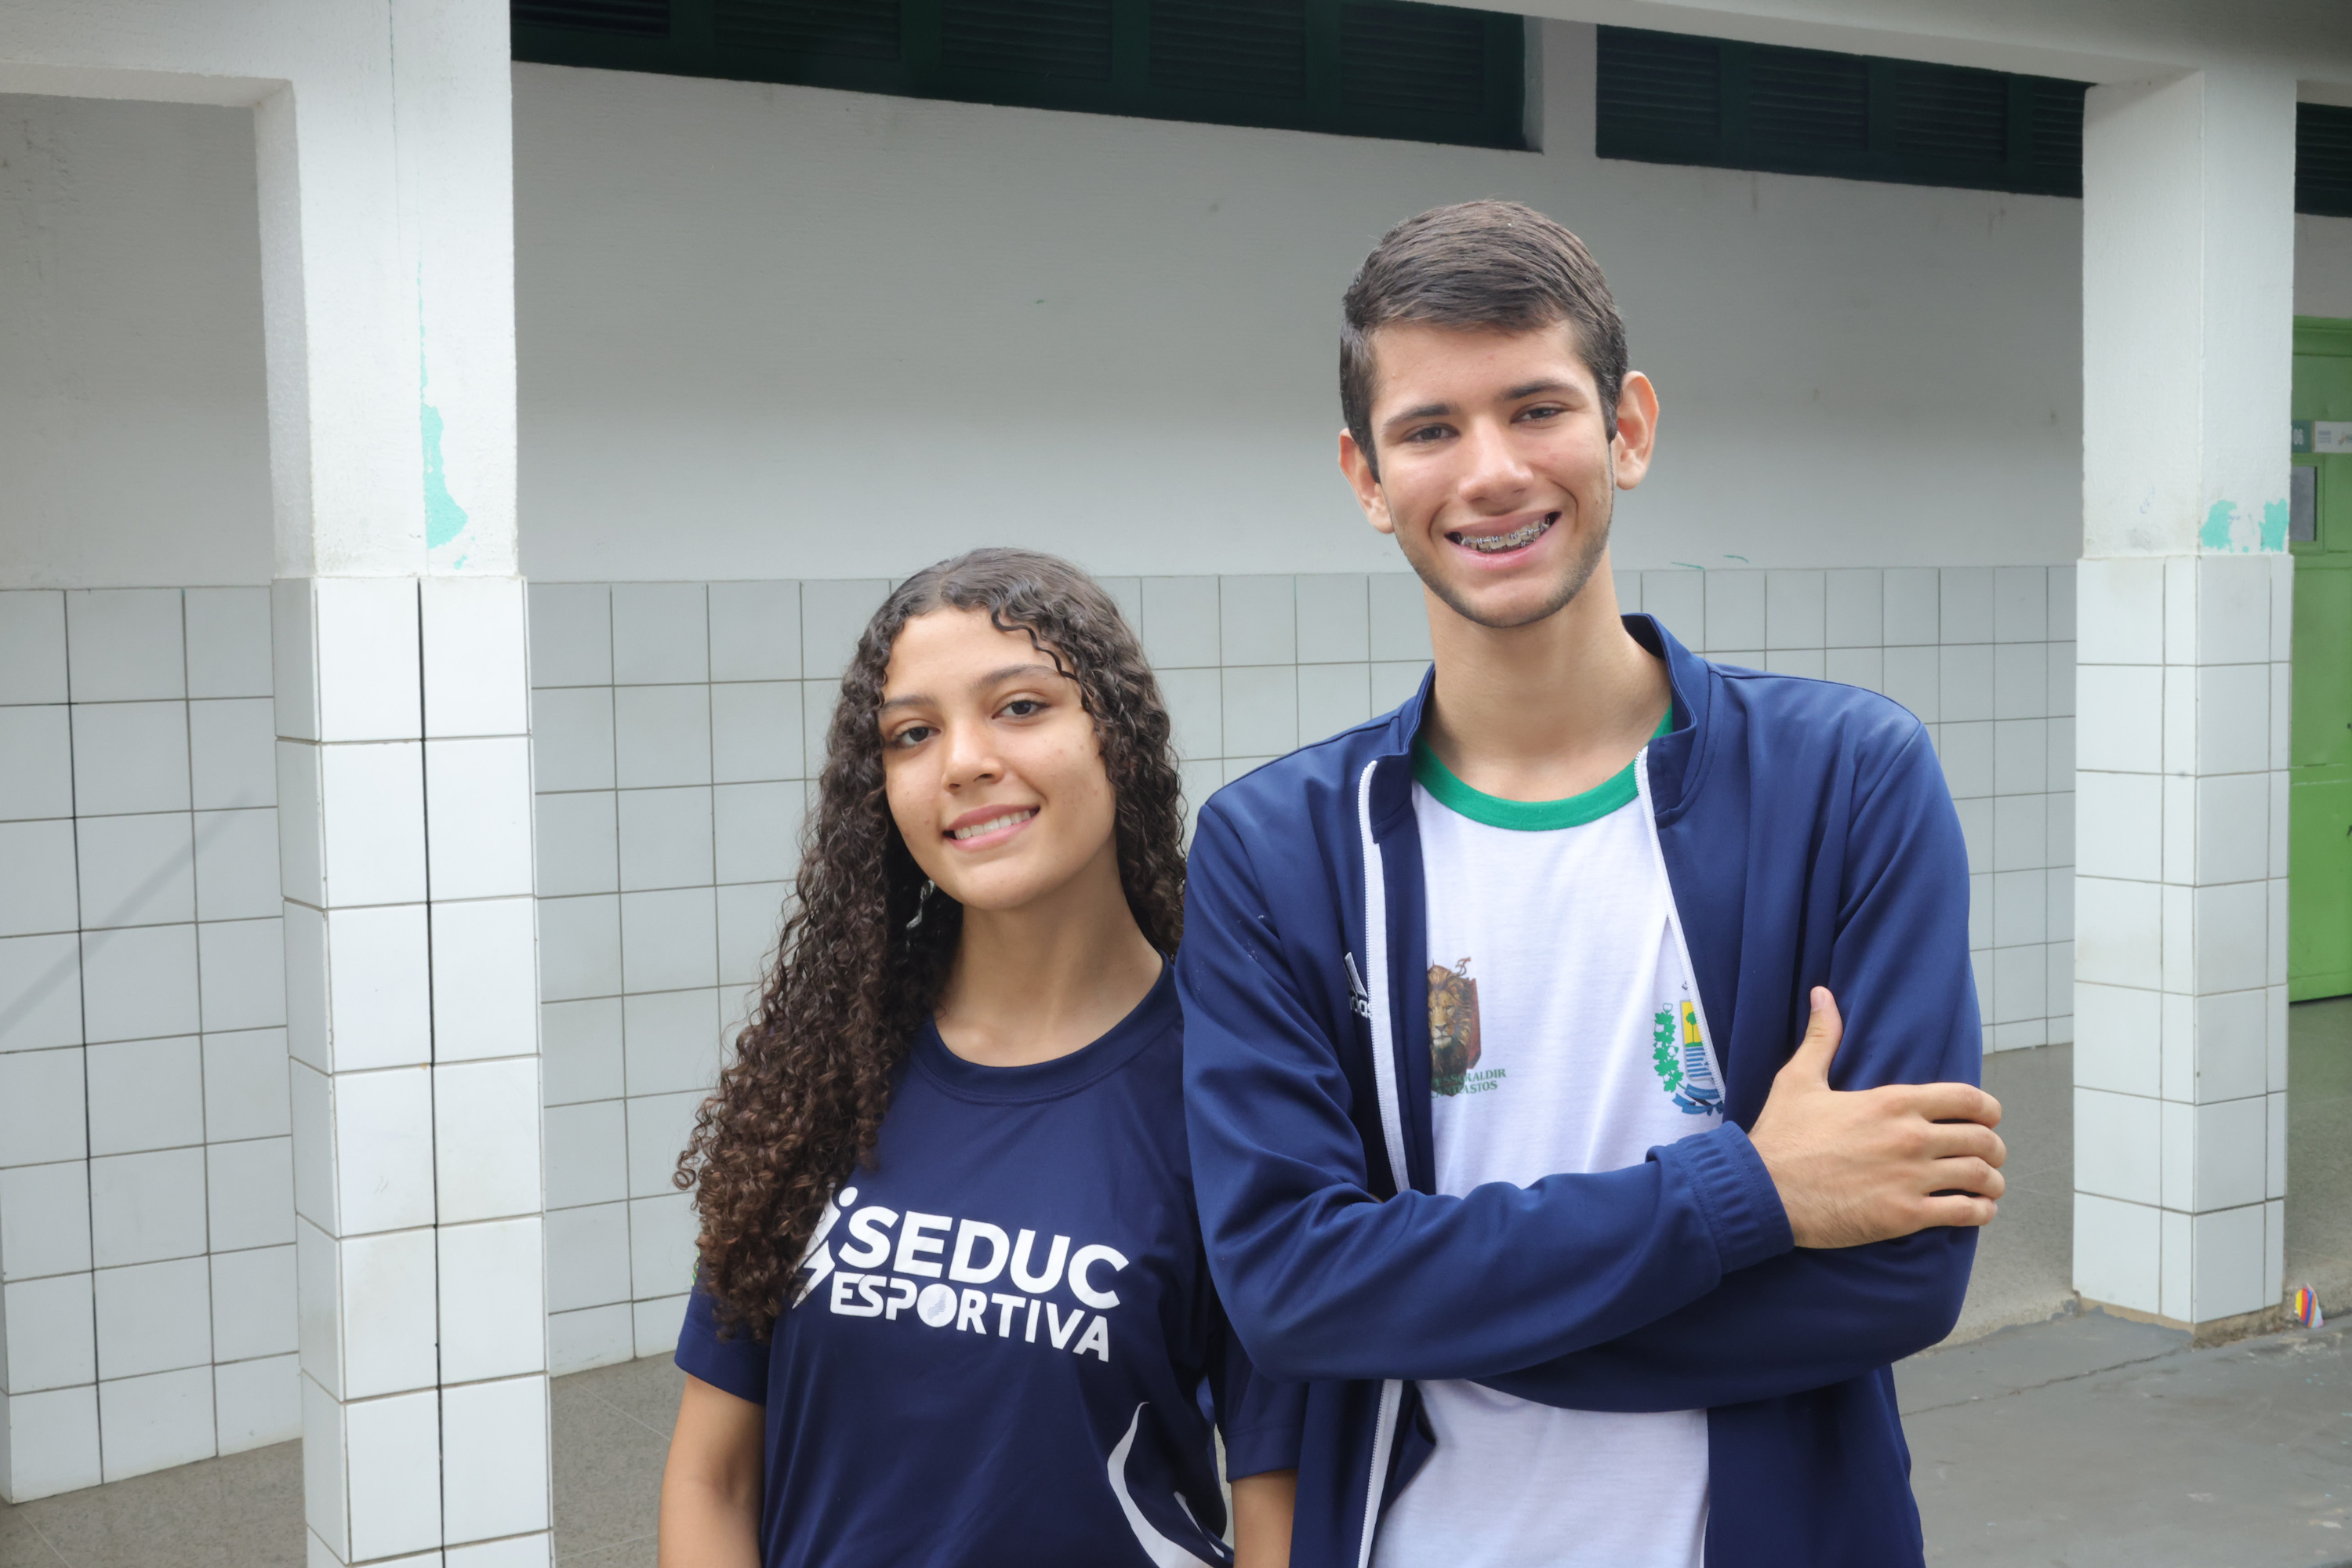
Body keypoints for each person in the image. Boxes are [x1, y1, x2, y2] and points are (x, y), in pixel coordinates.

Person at [1177, 201, 2007, 1568]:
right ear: (1366, 477)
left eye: (1537, 408)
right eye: (1431, 429)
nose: (1491, 472)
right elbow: (1290, 1291)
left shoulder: (1846, 781)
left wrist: (1457, 1319)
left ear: (1628, 427)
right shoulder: (1282, 849)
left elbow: (1901, 1273)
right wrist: (1748, 1199)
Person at [660, 549, 1301, 1567]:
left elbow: (1281, 1510)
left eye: (1019, 708)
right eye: (913, 734)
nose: (962, 760)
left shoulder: (1231, 1092)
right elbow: (714, 1476)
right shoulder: (824, 1076)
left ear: (1116, 737)